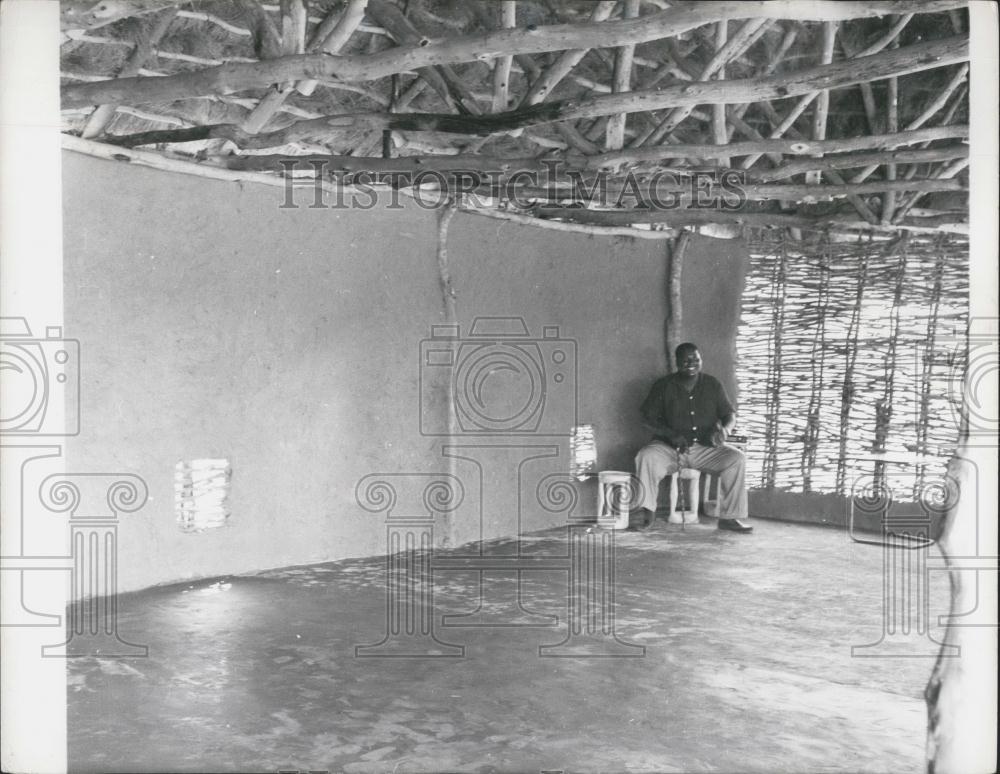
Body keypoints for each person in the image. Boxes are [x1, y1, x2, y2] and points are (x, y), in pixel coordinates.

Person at [632, 342, 752, 533]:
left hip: (705, 448)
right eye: (685, 360)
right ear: (677, 362)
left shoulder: (713, 384)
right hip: (670, 449)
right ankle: (647, 514)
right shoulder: (663, 385)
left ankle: (729, 518)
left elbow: (729, 415)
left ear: (701, 360)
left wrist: (725, 431)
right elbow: (647, 419)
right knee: (646, 456)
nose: (691, 363)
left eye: (695, 359)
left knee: (736, 459)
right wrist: (671, 434)